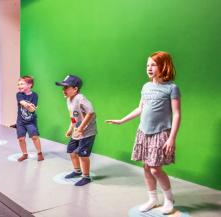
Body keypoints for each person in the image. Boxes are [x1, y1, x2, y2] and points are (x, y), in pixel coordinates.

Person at [106, 51, 181, 214]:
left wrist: (172, 138)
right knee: (146, 167)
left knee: (155, 168)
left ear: (164, 66)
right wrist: (121, 120)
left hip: (160, 133)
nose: (149, 68)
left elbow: (176, 114)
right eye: (147, 65)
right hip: (143, 132)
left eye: (153, 64)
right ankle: (152, 198)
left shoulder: (172, 88)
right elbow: (140, 108)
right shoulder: (146, 87)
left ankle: (169, 198)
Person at [55, 75, 97, 186]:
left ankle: (86, 177)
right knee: (72, 151)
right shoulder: (69, 100)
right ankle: (77, 171)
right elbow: (73, 116)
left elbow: (91, 113)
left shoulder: (80, 98)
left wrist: (81, 128)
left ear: (75, 89)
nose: (63, 90)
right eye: (63, 88)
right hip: (77, 131)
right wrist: (71, 129)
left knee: (82, 155)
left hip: (87, 132)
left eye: (66, 87)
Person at [16, 76, 44, 162]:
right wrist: (28, 105)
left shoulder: (35, 95)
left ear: (29, 85)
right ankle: (25, 154)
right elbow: (22, 102)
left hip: (31, 121)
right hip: (20, 121)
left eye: (22, 84)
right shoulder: (19, 94)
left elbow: (33, 109)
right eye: (18, 84)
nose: (19, 86)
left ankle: (39, 153)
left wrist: (30, 107)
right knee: (21, 138)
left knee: (34, 137)